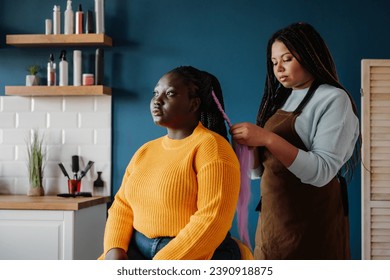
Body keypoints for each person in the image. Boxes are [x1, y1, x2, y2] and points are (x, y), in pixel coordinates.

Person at [230, 22, 360, 260]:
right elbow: (258, 172)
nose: (278, 68)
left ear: (310, 54)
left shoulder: (333, 99)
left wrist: (267, 138)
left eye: (287, 59)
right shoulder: (282, 100)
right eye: (273, 62)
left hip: (313, 227)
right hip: (274, 223)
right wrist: (249, 148)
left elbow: (321, 172)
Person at [100, 66, 253, 260]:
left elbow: (212, 220)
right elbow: (122, 205)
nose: (157, 100)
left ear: (193, 104)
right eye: (155, 93)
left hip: (195, 254)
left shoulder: (212, 147)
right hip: (138, 249)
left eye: (170, 93)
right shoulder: (145, 151)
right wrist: (114, 250)